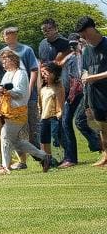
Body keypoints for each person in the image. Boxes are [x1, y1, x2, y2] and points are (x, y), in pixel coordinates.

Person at [0, 48, 51, 175]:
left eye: (5, 60)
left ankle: (5, 167)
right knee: (16, 142)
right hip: (8, 112)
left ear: (13, 59)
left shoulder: (21, 74)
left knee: (5, 136)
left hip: (17, 113)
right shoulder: (8, 75)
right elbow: (2, 92)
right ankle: (44, 156)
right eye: (2, 60)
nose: (3, 63)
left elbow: (20, 93)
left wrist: (5, 91)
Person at [0, 26, 39, 155]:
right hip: (9, 100)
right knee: (15, 131)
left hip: (26, 94)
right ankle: (23, 159)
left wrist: (30, 88)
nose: (9, 37)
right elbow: (5, 73)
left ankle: (42, 155)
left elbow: (33, 70)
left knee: (32, 127)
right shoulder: (2, 52)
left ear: (16, 35)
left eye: (12, 34)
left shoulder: (26, 50)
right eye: (6, 35)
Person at [61, 33, 99, 166]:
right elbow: (70, 77)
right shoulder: (71, 58)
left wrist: (83, 47)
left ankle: (99, 144)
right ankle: (70, 158)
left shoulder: (87, 52)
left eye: (75, 43)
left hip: (86, 92)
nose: (73, 46)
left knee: (80, 121)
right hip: (72, 93)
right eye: (70, 44)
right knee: (65, 121)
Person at [76, 16, 107, 166]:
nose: (83, 38)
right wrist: (85, 76)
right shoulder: (87, 50)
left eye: (83, 34)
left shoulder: (106, 44)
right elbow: (86, 70)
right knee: (101, 127)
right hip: (95, 94)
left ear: (91, 29)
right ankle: (105, 155)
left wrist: (93, 77)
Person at [37, 18, 71, 149]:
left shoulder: (64, 43)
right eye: (44, 30)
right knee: (46, 116)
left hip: (60, 82)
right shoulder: (42, 44)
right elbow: (41, 62)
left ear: (56, 28)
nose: (46, 32)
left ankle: (66, 149)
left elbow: (62, 62)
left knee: (60, 116)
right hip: (46, 83)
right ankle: (50, 154)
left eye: (49, 29)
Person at [38, 61, 65, 159]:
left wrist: (60, 115)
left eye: (46, 73)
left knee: (56, 138)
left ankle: (61, 157)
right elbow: (40, 103)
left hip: (54, 117)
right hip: (44, 117)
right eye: (42, 73)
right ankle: (48, 159)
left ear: (54, 74)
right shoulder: (43, 88)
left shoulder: (58, 87)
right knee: (44, 140)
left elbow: (61, 103)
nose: (43, 75)